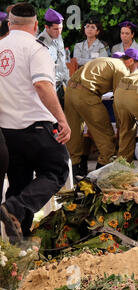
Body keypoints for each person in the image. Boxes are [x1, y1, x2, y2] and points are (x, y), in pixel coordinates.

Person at [0, 3, 71, 241]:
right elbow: (42, 85)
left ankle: (18, 245)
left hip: (7, 132)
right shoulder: (36, 48)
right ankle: (15, 209)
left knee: (19, 185)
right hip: (37, 127)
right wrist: (62, 120)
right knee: (57, 170)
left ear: (9, 24)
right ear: (36, 25)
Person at [64, 48, 138, 176]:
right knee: (107, 140)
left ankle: (75, 175)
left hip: (70, 91)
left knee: (74, 136)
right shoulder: (122, 69)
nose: (137, 71)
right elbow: (119, 101)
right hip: (86, 94)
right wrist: (121, 126)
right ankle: (99, 178)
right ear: (130, 61)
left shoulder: (108, 61)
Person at [37, 8, 70, 108]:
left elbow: (62, 62)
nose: (59, 32)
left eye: (61, 28)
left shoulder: (58, 37)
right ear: (46, 27)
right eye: (56, 29)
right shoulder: (41, 43)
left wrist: (68, 83)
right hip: (49, 90)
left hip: (60, 87)